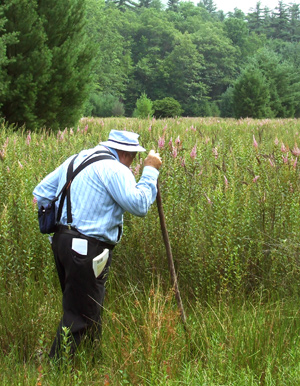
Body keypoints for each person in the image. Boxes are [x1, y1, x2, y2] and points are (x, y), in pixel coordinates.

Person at [33, 129, 162, 360]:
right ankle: (55, 370)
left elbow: (42, 191)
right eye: (133, 156)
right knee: (81, 314)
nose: (132, 162)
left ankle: (90, 363)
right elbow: (140, 205)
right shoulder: (114, 168)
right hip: (88, 249)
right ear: (125, 153)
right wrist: (150, 171)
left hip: (62, 243)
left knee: (87, 307)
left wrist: (62, 229)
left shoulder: (76, 158)